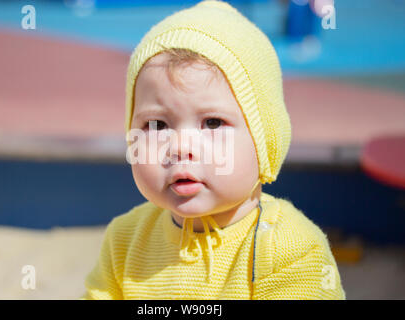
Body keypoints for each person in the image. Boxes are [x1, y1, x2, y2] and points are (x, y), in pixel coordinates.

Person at [82, 0, 345, 300]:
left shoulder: (290, 249)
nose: (181, 148)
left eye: (213, 122)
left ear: (263, 139)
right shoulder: (124, 241)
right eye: (157, 125)